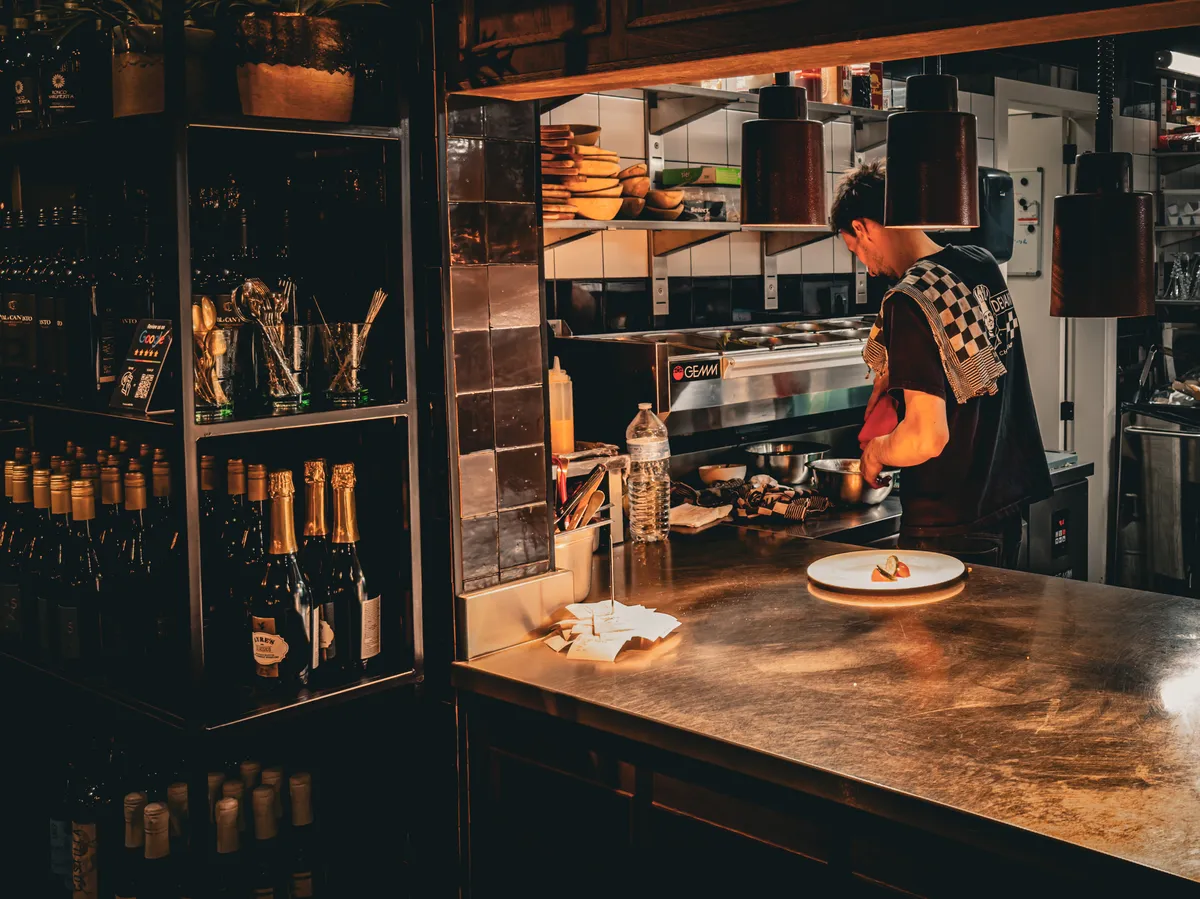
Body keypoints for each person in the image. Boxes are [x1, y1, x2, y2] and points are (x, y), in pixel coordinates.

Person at [831, 161, 1051, 568]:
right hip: (1003, 506)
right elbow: (967, 357)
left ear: (862, 227)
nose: (868, 267)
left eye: (855, 249)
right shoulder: (980, 264)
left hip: (949, 524)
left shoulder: (909, 299)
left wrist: (877, 452)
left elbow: (926, 437)